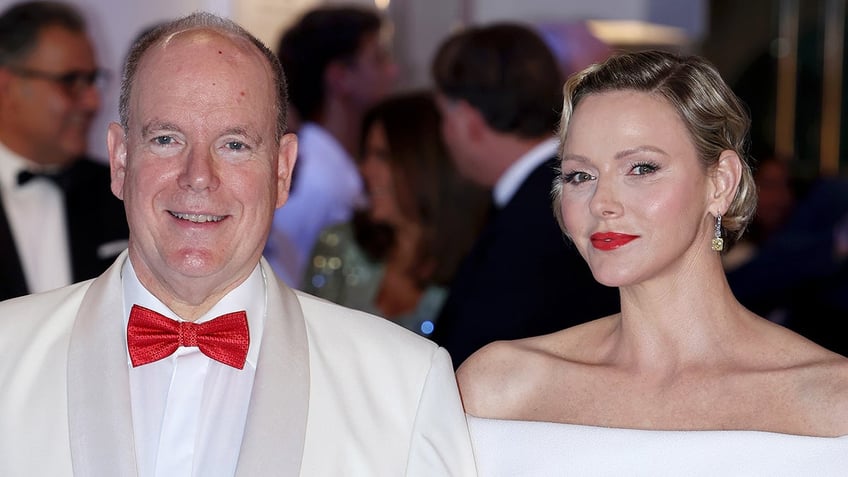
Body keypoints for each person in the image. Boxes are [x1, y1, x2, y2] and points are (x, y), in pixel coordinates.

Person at [0, 12, 475, 476]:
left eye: (235, 145)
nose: (198, 177)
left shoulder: (404, 384)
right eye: (167, 139)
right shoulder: (7, 351)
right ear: (121, 161)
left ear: (282, 170)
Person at [458, 50, 848, 475]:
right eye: (579, 175)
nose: (602, 203)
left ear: (721, 183)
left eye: (641, 168)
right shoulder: (500, 387)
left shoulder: (832, 402)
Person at [429, 23, 619, 367]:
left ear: (468, 121)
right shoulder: (562, 187)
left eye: (442, 116)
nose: (443, 133)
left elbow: (474, 356)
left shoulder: (536, 215)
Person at [303, 91, 490, 337]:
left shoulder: (478, 263)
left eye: (382, 156)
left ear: (426, 164)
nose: (365, 169)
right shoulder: (339, 244)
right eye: (366, 155)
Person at [0, 1, 128, 300]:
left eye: (93, 80)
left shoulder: (121, 192)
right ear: (6, 87)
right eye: (71, 82)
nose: (93, 102)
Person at [265, 5, 398, 287]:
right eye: (378, 58)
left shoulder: (333, 165)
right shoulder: (313, 176)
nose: (393, 70)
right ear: (339, 77)